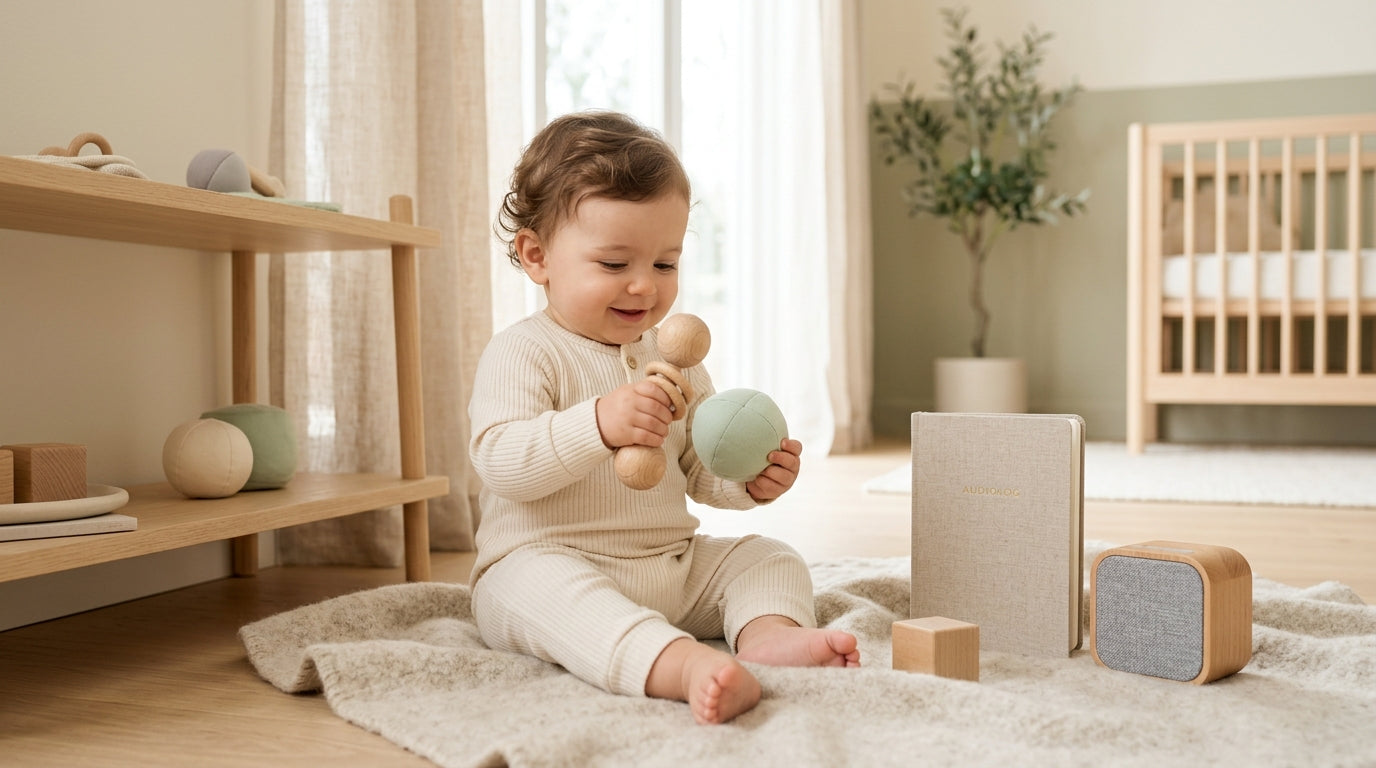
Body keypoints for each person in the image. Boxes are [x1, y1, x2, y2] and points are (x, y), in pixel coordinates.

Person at [468, 110, 859, 725]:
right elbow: (501, 462)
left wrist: (747, 480)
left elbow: (698, 469)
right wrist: (597, 423)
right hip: (550, 560)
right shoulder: (524, 351)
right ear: (537, 255)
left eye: (665, 264)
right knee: (542, 594)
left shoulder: (673, 360)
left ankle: (767, 639)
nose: (643, 288)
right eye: (615, 265)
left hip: (669, 567)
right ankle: (679, 666)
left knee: (768, 556)